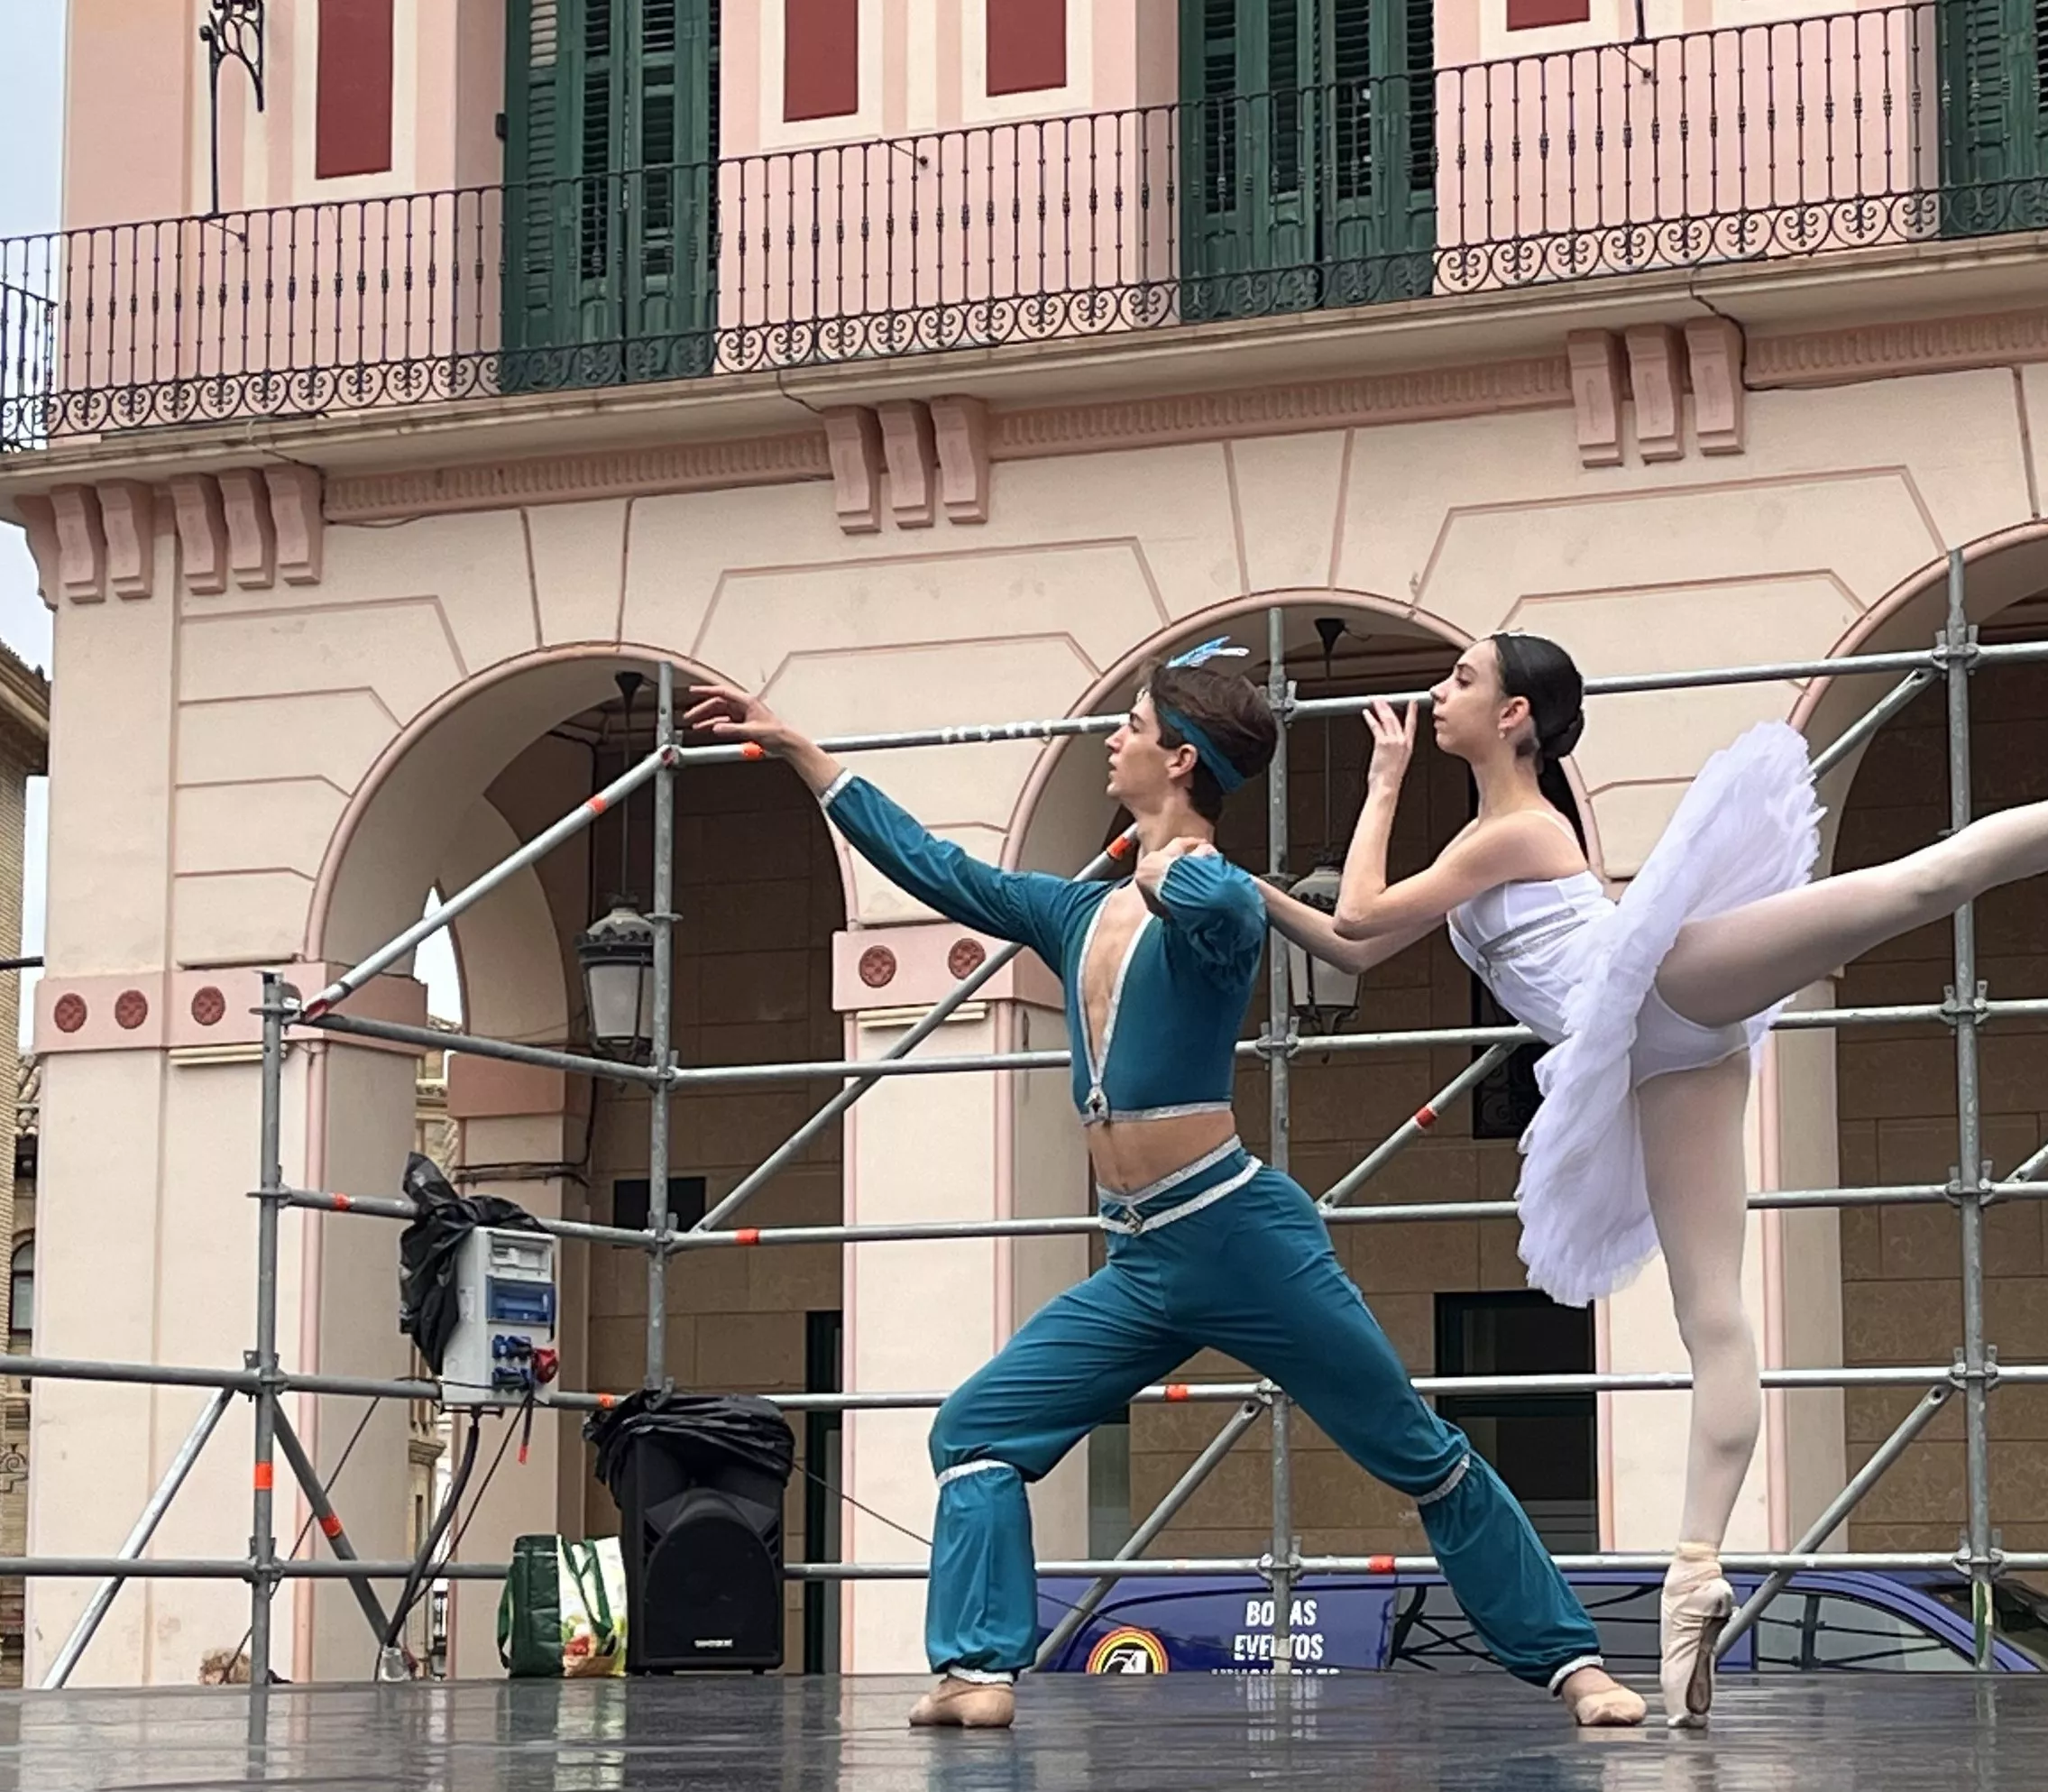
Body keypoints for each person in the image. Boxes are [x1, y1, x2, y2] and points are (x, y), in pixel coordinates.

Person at [1259, 634, 2048, 1724]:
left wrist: (1380, 784)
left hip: (1655, 987)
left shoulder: (1519, 827)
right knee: (1712, 1315)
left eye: (1463, 681)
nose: (1439, 694)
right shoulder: (1488, 836)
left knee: (1920, 881)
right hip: (1657, 1055)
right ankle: (1693, 1570)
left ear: (1517, 715)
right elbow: (1349, 952)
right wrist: (1242, 894)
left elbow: (1358, 920)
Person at [686, 649, 1648, 1730]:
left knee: (1417, 1451)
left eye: (1131, 722)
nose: (1113, 738)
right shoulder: (1073, 912)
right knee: (975, 1432)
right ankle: (978, 1671)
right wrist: (803, 752)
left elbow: (1226, 922)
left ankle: (1575, 1665)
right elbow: (938, 871)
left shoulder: (1213, 896)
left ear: (1178, 757)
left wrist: (1187, 873)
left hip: (1242, 1239)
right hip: (1143, 1259)